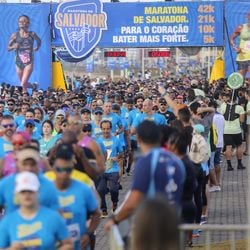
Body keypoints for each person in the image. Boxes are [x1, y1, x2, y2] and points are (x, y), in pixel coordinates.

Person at [104, 120, 185, 231]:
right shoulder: (176, 161)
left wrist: (114, 220)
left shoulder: (145, 162)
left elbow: (134, 199)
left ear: (138, 139)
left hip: (153, 225)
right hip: (175, 223)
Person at [0, 171, 73, 249]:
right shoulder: (8, 221)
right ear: (17, 194)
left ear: (38, 192)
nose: (27, 195)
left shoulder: (53, 217)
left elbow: (68, 244)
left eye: (31, 191)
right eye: (23, 192)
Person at [52, 143, 100, 250]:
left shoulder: (83, 189)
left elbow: (96, 214)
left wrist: (88, 233)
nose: (64, 174)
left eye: (67, 170)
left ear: (72, 169)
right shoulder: (45, 190)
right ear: (54, 169)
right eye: (60, 170)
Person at [0, 146, 59, 214]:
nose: (28, 168)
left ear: (38, 165)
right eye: (24, 164)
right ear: (17, 164)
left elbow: (55, 213)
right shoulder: (6, 184)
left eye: (32, 164)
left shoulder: (49, 186)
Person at [8, 15, 41, 91]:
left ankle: (23, 99)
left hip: (29, 62)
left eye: (24, 21)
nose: (22, 23)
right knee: (24, 84)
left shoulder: (32, 34)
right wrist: (13, 46)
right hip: (18, 61)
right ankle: (33, 86)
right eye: (20, 21)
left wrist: (38, 47)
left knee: (22, 84)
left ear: (28, 23)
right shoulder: (15, 35)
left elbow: (39, 40)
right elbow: (8, 48)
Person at [230, 12, 250, 78]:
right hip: (242, 57)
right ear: (247, 17)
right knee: (240, 80)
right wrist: (235, 47)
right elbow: (231, 38)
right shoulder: (241, 27)